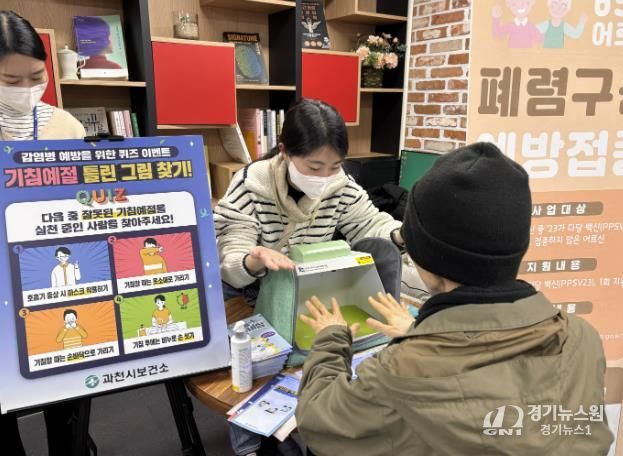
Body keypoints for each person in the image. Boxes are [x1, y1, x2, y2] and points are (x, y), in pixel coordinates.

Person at [295, 142, 613, 455]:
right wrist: (421, 333)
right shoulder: (582, 339)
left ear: (426, 259)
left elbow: (319, 422)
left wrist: (331, 338)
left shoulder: (402, 370)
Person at [214, 99, 404, 456]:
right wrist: (254, 260)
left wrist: (399, 234)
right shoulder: (249, 186)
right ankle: (249, 445)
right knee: (249, 362)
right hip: (249, 288)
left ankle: (302, 425)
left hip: (303, 284)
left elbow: (369, 222)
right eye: (314, 166)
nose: (323, 177)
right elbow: (231, 255)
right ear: (284, 151)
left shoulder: (340, 186)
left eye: (335, 166)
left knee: (308, 354)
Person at [0, 11, 89, 456]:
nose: (26, 89)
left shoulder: (67, 126)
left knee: (64, 382)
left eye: (36, 77)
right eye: (10, 81)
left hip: (52, 275)